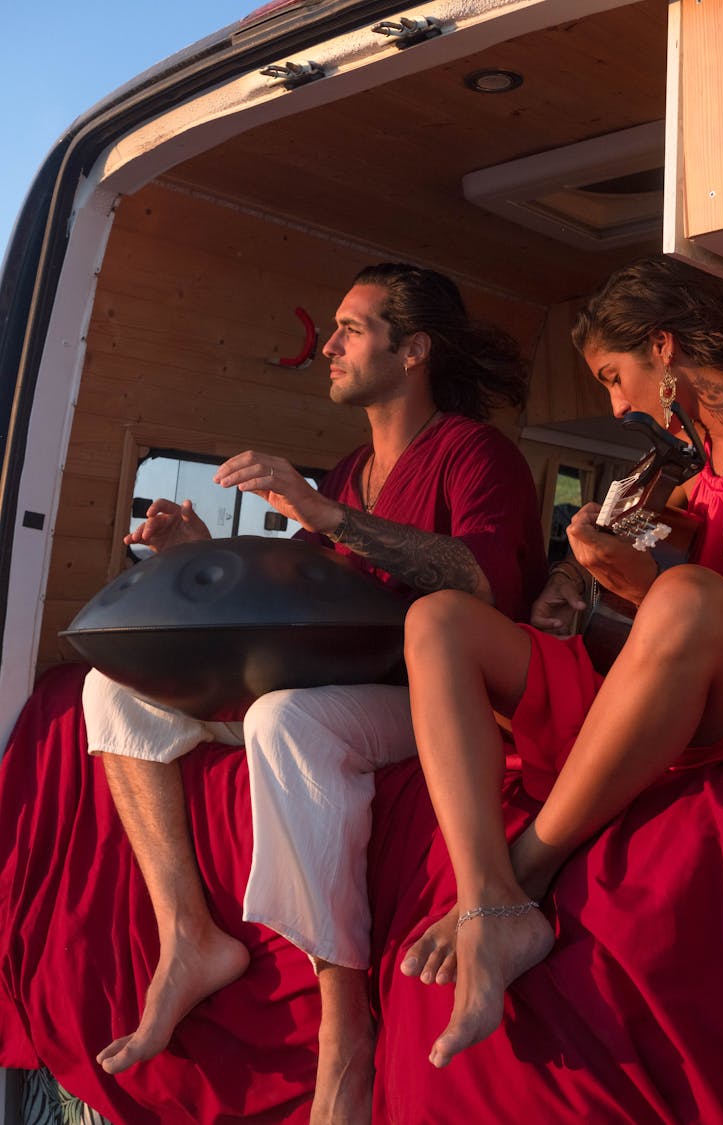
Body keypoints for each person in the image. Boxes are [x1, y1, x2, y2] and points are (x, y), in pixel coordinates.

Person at [81, 261, 548, 1123]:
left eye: (350, 328)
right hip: (344, 679)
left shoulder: (477, 455)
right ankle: (187, 933)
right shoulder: (345, 468)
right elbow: (317, 599)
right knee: (111, 692)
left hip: (434, 698)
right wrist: (193, 552)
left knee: (286, 717)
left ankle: (344, 1022)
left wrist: (325, 515)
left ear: (413, 350)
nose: (326, 345)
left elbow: (477, 581)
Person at [398, 254, 723, 1070]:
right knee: (438, 621)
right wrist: (591, 576)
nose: (616, 403)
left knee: (688, 600)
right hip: (676, 664)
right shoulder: (693, 474)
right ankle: (483, 884)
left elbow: (695, 600)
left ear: (663, 348)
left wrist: (655, 588)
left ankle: (524, 871)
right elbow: (659, 591)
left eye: (614, 377)